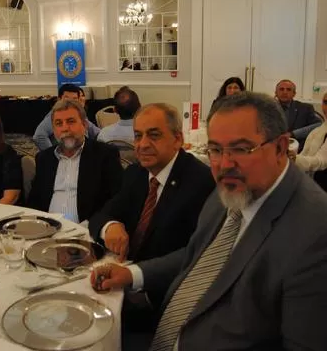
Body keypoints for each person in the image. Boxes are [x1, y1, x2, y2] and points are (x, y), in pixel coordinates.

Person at [95, 92, 327, 350]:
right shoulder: (233, 188)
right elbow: (198, 255)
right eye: (215, 149)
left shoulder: (315, 232)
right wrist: (132, 274)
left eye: (241, 149)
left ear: (280, 148)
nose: (224, 164)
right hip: (165, 331)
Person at [89, 103, 215, 344]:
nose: (142, 144)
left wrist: (133, 275)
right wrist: (110, 226)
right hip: (121, 284)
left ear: (177, 139)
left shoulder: (201, 182)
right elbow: (101, 215)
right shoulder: (136, 174)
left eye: (154, 135)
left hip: (164, 304)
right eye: (138, 136)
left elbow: (197, 254)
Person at [28, 99, 122, 222]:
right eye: (59, 123)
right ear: (54, 129)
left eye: (71, 121)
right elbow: (34, 201)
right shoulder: (44, 158)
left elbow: (115, 200)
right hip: (47, 227)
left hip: (85, 228)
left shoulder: (104, 155)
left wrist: (93, 225)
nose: (65, 128)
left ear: (84, 125)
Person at [33, 84, 100, 151]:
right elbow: (39, 136)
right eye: (67, 99)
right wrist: (52, 154)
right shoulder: (55, 116)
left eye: (74, 99)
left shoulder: (78, 113)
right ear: (59, 99)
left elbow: (97, 132)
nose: (70, 102)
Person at [276, 79, 321, 146]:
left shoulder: (305, 108)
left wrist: (293, 134)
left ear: (294, 94)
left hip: (298, 147)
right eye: (281, 89)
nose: (285, 92)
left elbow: (318, 125)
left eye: (288, 89)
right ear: (276, 93)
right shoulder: (267, 109)